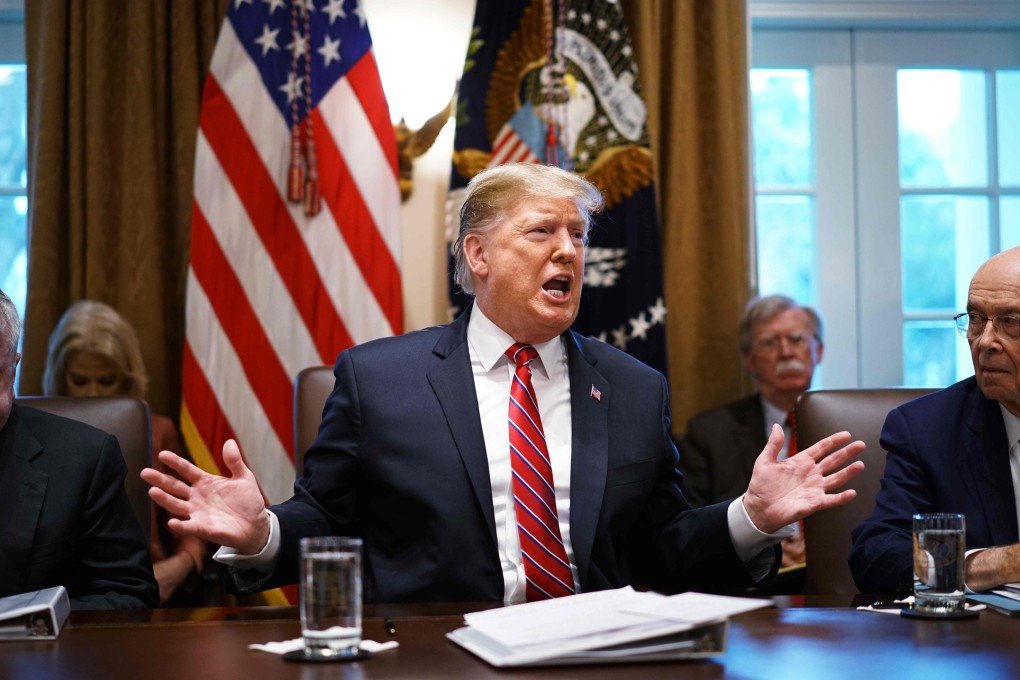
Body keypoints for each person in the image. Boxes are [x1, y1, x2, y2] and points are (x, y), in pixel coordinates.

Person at [142, 163, 864, 604]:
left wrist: (751, 517)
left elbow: (661, 548)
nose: (569, 252)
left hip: (597, 651)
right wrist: (262, 530)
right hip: (437, 655)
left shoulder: (634, 387)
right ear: (478, 254)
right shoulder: (379, 379)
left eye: (578, 235)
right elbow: (327, 522)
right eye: (543, 232)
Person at [851, 246, 1020, 594]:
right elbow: (878, 555)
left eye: (1011, 322)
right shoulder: (927, 430)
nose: (986, 341)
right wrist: (999, 564)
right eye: (975, 319)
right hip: (980, 640)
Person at [0, 289, 157, 609]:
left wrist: (37, 618)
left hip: (34, 654)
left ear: (13, 368)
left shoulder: (85, 460)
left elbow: (130, 595)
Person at [43, 300, 207, 606]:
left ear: (127, 379)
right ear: (60, 375)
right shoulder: (37, 438)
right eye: (79, 380)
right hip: (51, 601)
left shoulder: (156, 433)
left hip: (138, 594)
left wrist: (179, 565)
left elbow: (193, 526)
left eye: (106, 381)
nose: (92, 393)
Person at [679, 295, 824, 569]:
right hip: (751, 583)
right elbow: (692, 525)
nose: (786, 352)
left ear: (820, 350)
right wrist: (761, 546)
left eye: (796, 339)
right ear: (749, 359)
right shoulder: (710, 433)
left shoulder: (850, 428)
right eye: (770, 342)